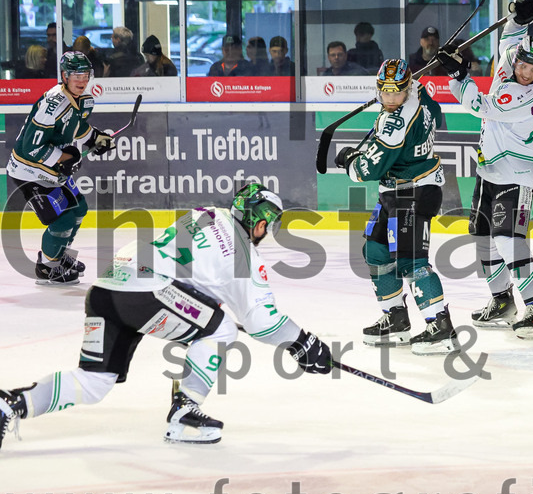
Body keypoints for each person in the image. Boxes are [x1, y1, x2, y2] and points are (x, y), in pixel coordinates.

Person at [0, 184, 335, 450]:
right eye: (269, 223)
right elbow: (260, 321)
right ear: (260, 222)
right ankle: (185, 412)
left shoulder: (206, 213)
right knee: (221, 330)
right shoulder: (245, 255)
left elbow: (198, 271)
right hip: (144, 292)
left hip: (107, 287)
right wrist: (304, 343)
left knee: (94, 381)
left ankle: (12, 404)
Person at [435, 0, 533, 339]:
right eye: (523, 65)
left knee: (508, 241)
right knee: (484, 240)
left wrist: (458, 74)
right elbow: (508, 40)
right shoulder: (511, 60)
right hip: (489, 170)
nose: (526, 73)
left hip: (515, 177)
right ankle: (502, 300)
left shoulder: (530, 96)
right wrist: (519, 20)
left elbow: (482, 106)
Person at [334, 59, 458, 354]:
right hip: (395, 191)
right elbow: (436, 112)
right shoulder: (420, 94)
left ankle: (440, 327)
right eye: (385, 92)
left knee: (411, 262)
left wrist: (349, 160)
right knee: (375, 251)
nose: (390, 99)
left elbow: (368, 169)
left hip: (413, 191)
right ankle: (396, 318)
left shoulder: (395, 123)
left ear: (406, 88)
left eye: (396, 92)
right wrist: (413, 87)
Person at [4, 51, 114, 284]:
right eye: (76, 75)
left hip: (52, 170)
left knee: (80, 208)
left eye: (85, 74)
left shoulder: (82, 99)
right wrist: (65, 156)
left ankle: (58, 255)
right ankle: (46, 267)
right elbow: (31, 148)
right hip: (29, 172)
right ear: (64, 76)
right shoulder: (52, 105)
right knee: (62, 220)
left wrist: (96, 138)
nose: (82, 80)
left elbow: (77, 127)